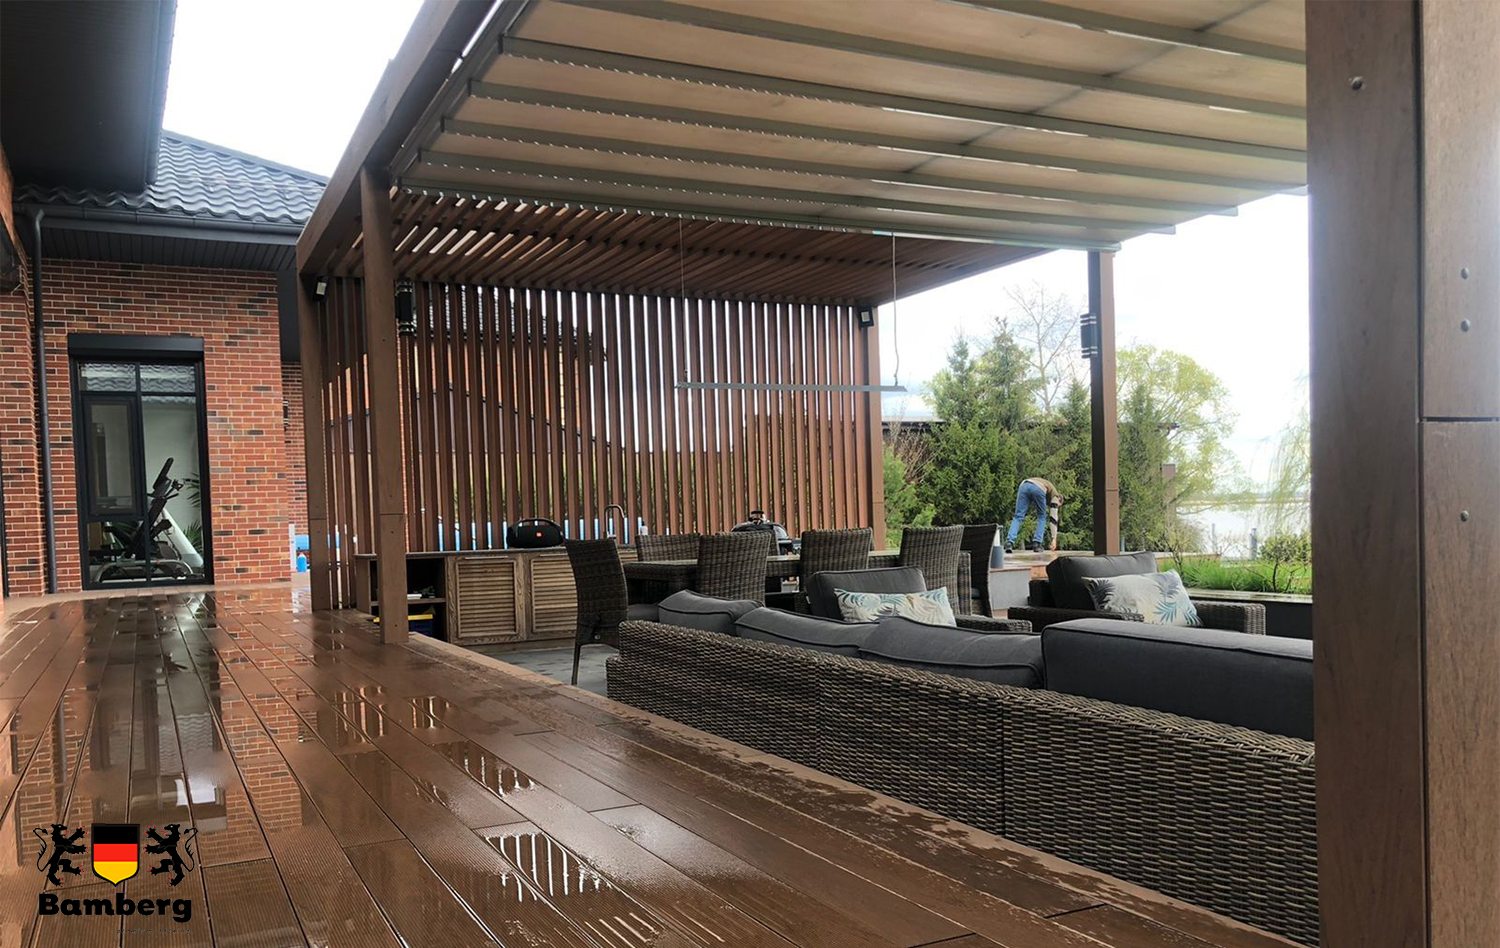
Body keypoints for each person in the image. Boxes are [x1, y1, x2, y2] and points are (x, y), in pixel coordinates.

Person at [1005, 477, 1064, 553]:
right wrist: (1054, 539)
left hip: (1024, 485)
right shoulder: (1056, 496)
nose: (1052, 506)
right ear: (1059, 500)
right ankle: (1037, 543)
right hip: (1038, 488)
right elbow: (1053, 519)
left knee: (1018, 516)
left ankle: (1009, 542)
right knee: (1042, 516)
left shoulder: (1047, 486)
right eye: (1057, 506)